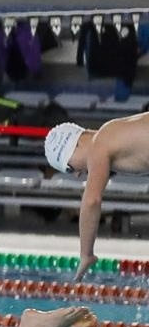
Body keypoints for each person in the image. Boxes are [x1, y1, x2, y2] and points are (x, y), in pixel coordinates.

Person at [44, 112, 149, 278]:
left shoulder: (98, 143)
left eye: (70, 168)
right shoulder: (111, 134)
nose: (77, 175)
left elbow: (91, 201)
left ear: (75, 145)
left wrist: (86, 254)